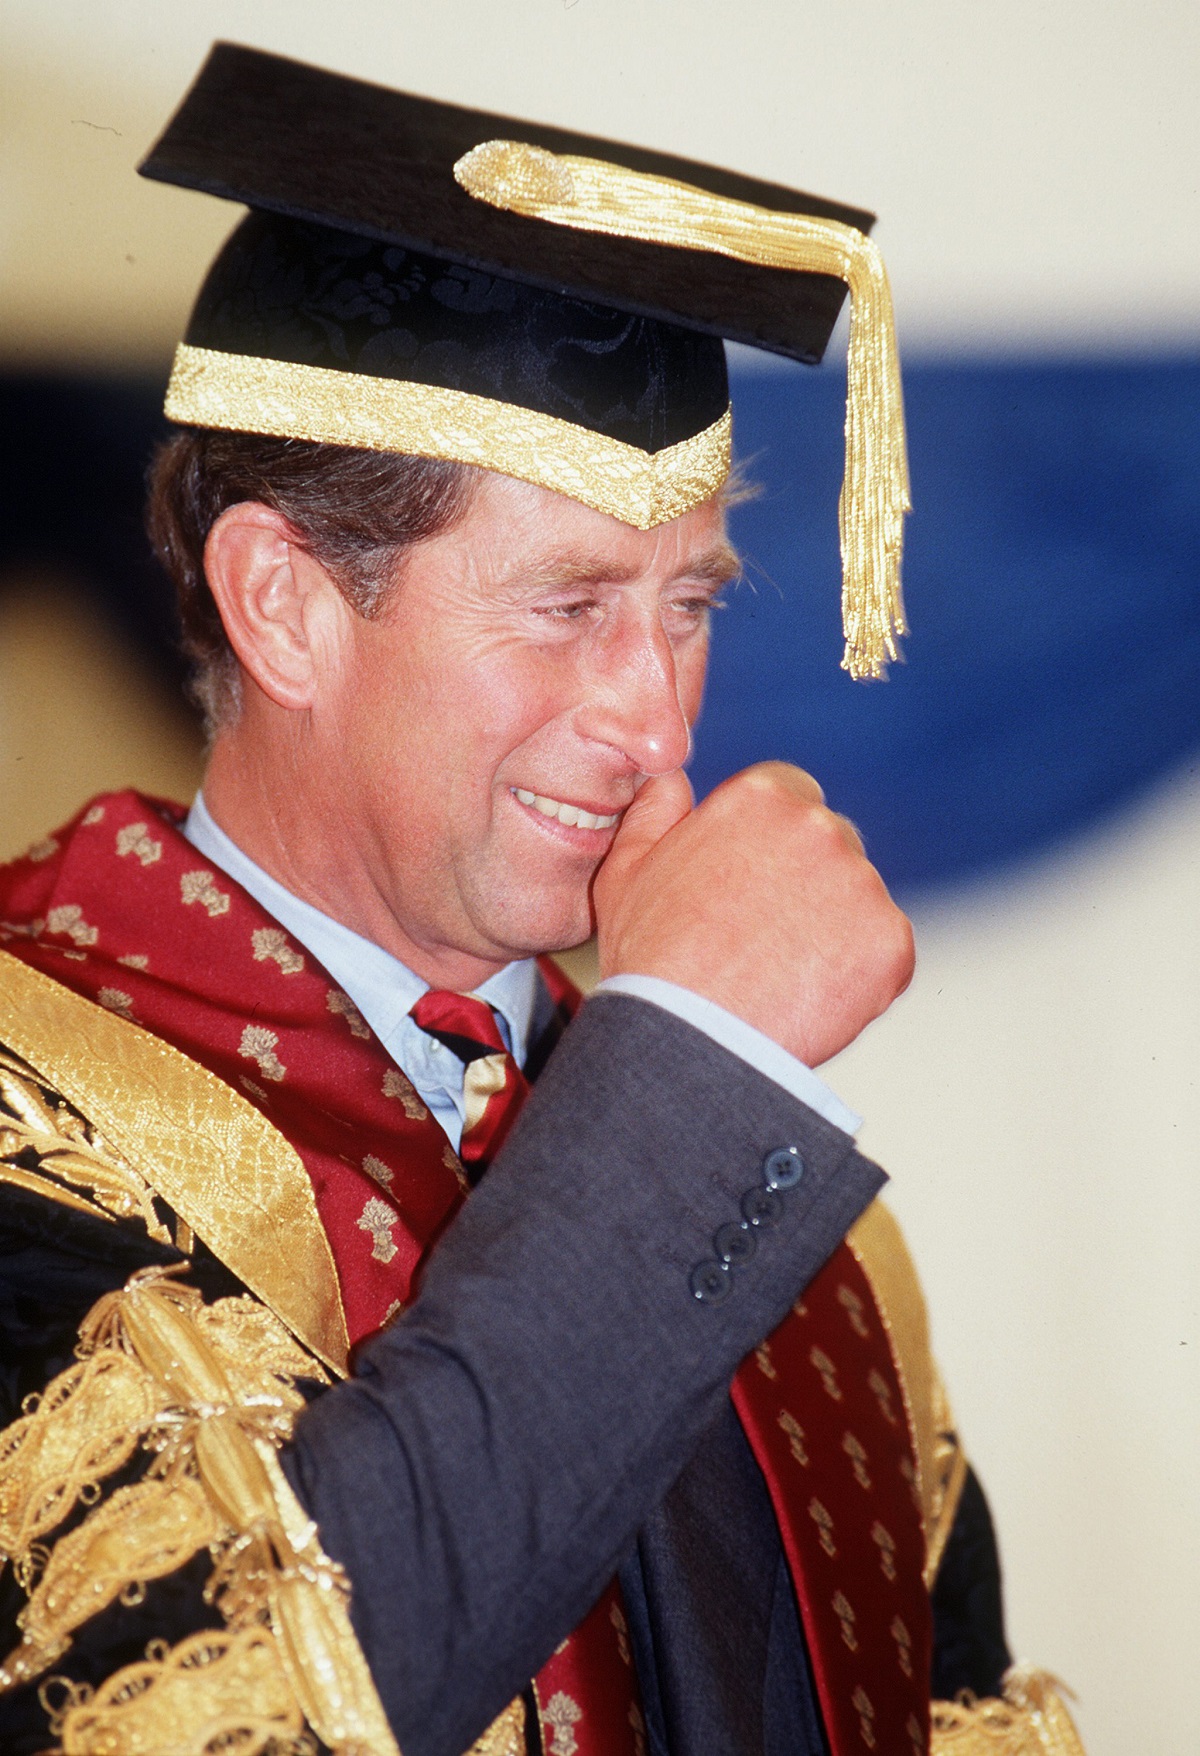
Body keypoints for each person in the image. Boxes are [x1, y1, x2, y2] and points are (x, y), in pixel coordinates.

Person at [0, 43, 1084, 1756]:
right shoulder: (37, 1112)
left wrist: (698, 1087)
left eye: (689, 607)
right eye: (567, 606)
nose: (656, 720)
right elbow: (247, 1698)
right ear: (284, 604)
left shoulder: (801, 1229)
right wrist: (698, 1067)